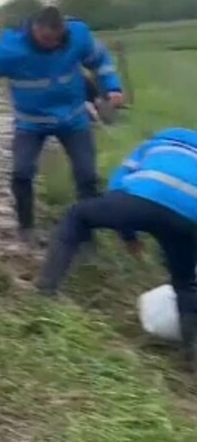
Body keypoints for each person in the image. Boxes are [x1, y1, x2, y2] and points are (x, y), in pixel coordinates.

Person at [0, 6, 125, 243]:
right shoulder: (12, 49)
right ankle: (26, 228)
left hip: (73, 118)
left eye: (58, 39)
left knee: (87, 175)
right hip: (31, 123)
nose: (53, 44)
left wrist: (113, 87)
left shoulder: (77, 36)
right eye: (47, 39)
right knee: (22, 172)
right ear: (34, 30)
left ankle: (87, 235)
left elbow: (101, 62)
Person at [36, 129, 197, 364]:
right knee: (185, 284)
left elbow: (118, 183)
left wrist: (128, 235)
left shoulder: (154, 145)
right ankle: (190, 352)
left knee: (77, 215)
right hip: (187, 219)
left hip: (138, 202)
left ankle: (46, 289)